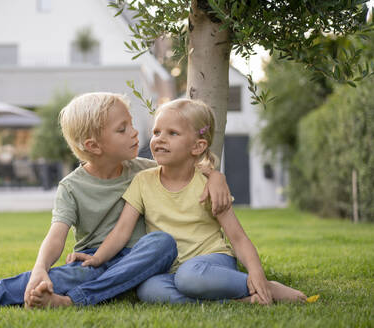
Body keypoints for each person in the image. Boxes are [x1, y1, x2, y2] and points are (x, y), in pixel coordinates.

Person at [0, 93, 232, 311]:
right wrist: (40, 268)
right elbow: (56, 236)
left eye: (131, 124)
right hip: (92, 261)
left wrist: (215, 176)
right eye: (122, 129)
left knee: (162, 243)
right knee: (54, 277)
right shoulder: (71, 187)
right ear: (94, 145)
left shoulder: (144, 168)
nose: (136, 133)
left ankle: (76, 300)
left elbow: (193, 167)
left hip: (139, 259)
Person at [69, 98, 307, 305]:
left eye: (172, 133)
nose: (160, 139)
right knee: (149, 290)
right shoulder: (142, 181)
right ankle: (240, 300)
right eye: (156, 132)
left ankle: (261, 286)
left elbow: (238, 238)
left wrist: (256, 273)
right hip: (170, 270)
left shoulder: (207, 185)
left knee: (190, 276)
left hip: (210, 263)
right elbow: (121, 231)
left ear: (198, 146)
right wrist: (97, 257)